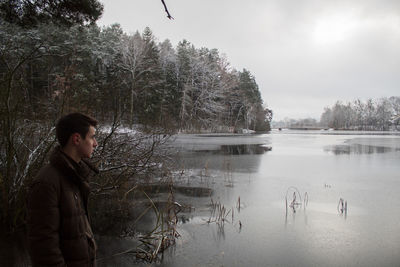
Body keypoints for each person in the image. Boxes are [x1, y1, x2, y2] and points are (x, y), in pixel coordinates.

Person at [27, 113, 99, 267]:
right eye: (92, 137)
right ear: (76, 139)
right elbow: (44, 250)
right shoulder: (46, 183)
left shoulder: (74, 177)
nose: (95, 143)